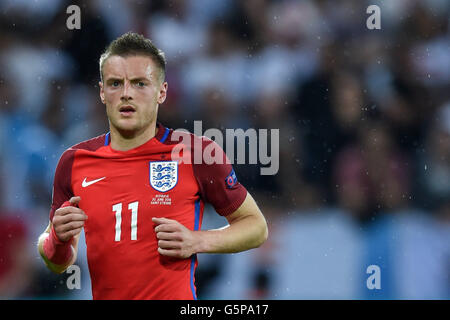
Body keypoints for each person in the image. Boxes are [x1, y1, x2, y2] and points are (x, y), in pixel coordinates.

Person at [37, 32, 268, 300]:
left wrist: (199, 240)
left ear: (161, 92)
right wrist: (57, 239)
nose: (126, 94)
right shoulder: (74, 161)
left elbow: (256, 227)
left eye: (139, 84)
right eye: (115, 84)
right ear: (102, 92)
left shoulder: (197, 153)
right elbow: (56, 261)